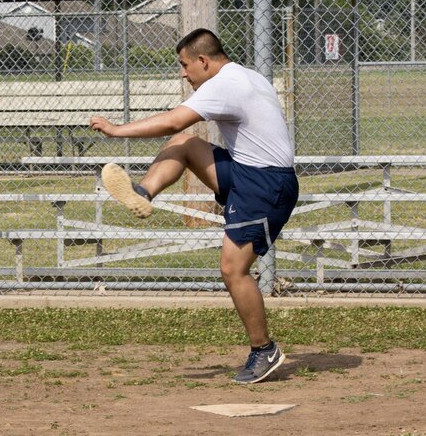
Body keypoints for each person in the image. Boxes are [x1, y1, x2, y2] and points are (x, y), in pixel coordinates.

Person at [89, 27, 299, 385]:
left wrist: (115, 130)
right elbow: (180, 130)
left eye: (185, 66)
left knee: (233, 270)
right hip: (249, 172)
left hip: (265, 185)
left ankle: (264, 350)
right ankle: (143, 192)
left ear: (203, 61)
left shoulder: (226, 84)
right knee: (185, 144)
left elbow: (173, 119)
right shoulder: (245, 75)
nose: (183, 74)